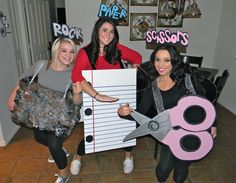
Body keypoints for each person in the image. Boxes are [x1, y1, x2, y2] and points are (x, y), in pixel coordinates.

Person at [117, 44, 217, 183]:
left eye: (166, 60)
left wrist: (213, 124)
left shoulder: (187, 79)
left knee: (180, 171)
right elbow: (141, 113)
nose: (161, 64)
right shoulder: (153, 86)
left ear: (174, 61)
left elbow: (205, 102)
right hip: (170, 135)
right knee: (162, 171)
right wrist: (124, 113)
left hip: (193, 133)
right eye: (157, 59)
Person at [70, 16, 142, 175]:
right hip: (96, 100)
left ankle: (128, 156)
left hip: (119, 98)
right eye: (104, 30)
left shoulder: (116, 49)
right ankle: (78, 155)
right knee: (94, 131)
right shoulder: (85, 52)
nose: (108, 35)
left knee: (126, 127)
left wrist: (133, 70)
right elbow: (76, 77)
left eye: (112, 31)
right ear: (97, 31)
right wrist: (98, 96)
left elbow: (137, 57)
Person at [8, 37, 82, 183]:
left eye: (72, 51)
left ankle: (64, 175)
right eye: (64, 50)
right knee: (39, 138)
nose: (68, 55)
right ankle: (61, 151)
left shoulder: (74, 73)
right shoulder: (41, 65)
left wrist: (78, 92)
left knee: (54, 145)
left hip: (61, 116)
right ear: (56, 51)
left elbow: (77, 102)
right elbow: (22, 80)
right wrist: (12, 96)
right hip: (39, 113)